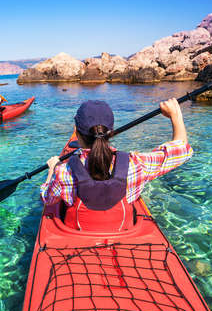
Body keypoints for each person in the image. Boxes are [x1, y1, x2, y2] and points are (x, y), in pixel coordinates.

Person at [41, 99, 192, 232]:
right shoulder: (136, 164)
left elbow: (47, 199)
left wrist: (52, 170)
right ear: (111, 133)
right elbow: (182, 150)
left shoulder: (63, 172)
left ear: (78, 135)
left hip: (77, 234)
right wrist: (175, 116)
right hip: (123, 233)